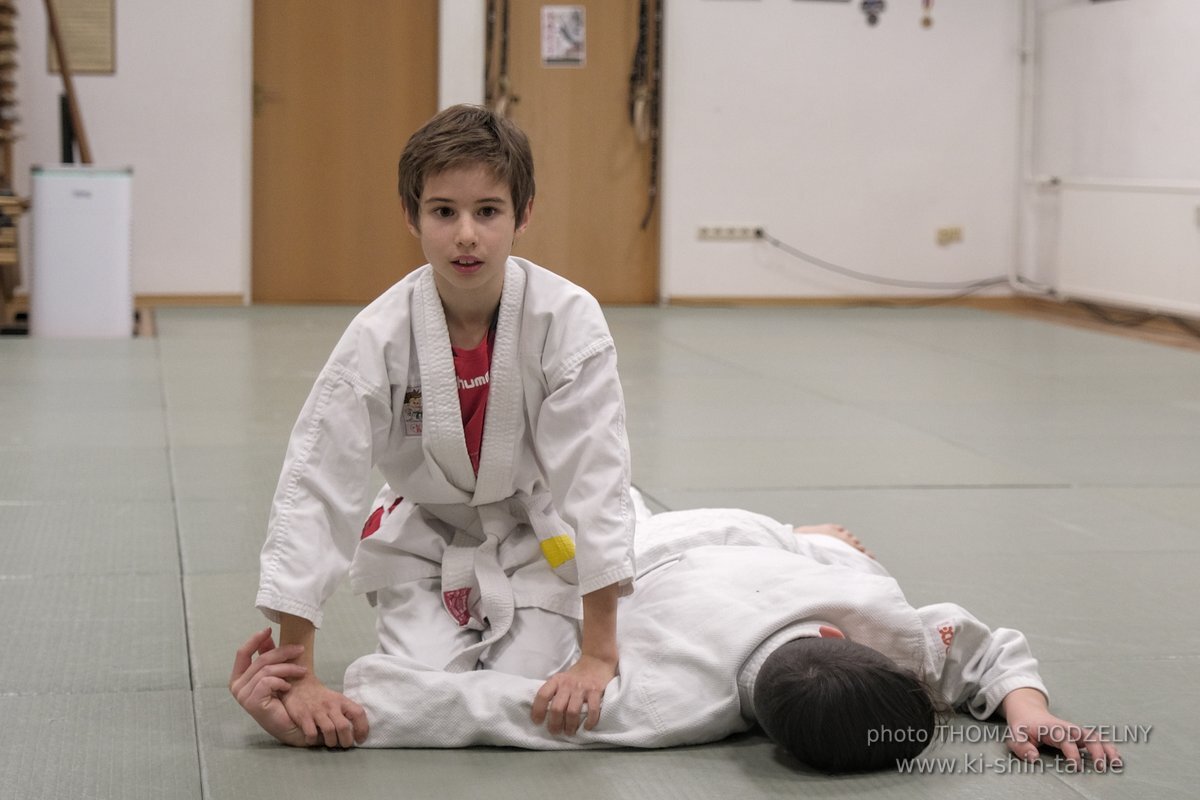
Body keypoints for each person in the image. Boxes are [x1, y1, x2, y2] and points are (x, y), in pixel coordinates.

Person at [253, 104, 637, 749]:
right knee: (414, 690)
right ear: (412, 216)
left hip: (533, 530)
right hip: (426, 534)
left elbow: (594, 480)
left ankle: (713, 536)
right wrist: (298, 672)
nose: (466, 235)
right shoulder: (377, 338)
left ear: (523, 214)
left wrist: (599, 654)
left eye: (488, 211)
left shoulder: (567, 320)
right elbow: (318, 486)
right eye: (443, 212)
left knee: (536, 689)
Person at [233, 502, 1121, 774]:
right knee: (491, 613)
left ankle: (814, 538)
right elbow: (474, 703)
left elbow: (973, 646)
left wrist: (1028, 709)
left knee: (834, 548)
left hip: (739, 534)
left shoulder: (880, 625)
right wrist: (324, 712)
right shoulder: (671, 701)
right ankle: (407, 521)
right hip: (631, 558)